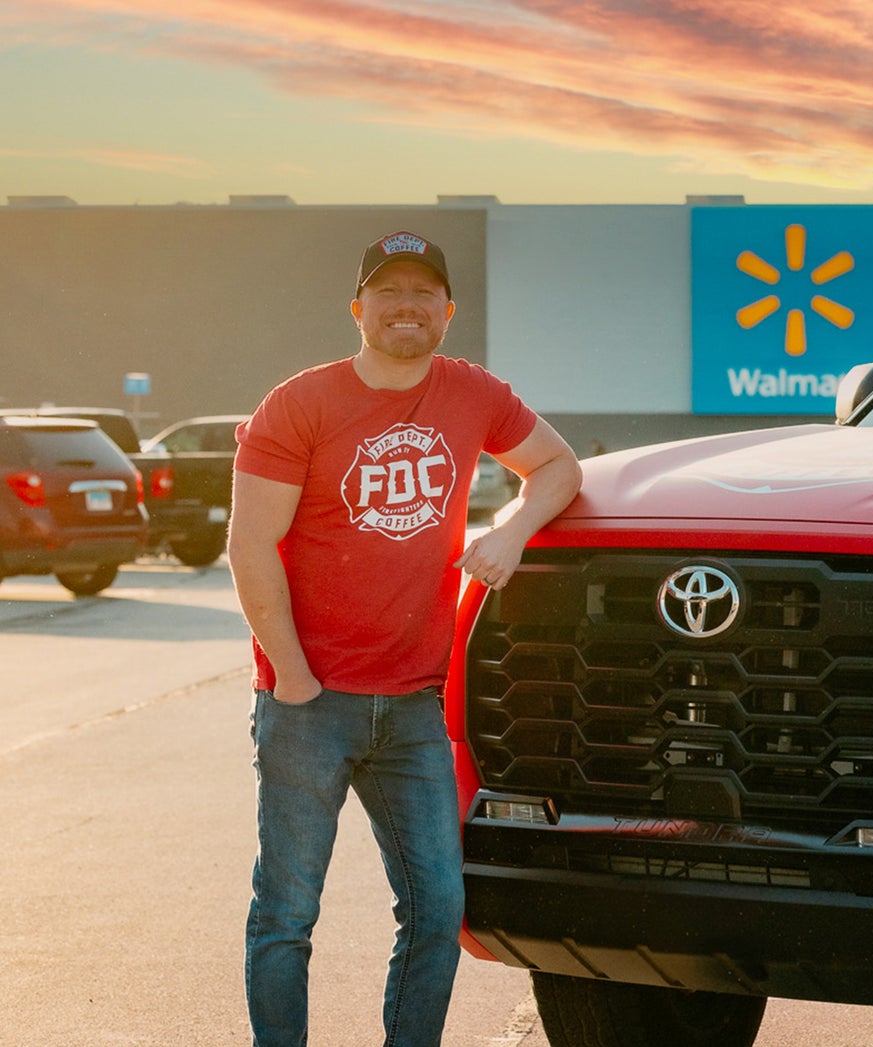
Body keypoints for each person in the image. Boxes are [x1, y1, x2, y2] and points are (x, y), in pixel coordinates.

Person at [229, 230, 583, 1046]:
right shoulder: (300, 402)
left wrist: (514, 531)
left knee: (438, 907)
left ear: (448, 313)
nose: (406, 307)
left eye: (424, 293)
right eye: (388, 292)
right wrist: (291, 675)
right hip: (308, 701)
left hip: (415, 707)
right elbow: (250, 544)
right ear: (358, 309)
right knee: (287, 911)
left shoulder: (473, 393)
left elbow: (559, 467)